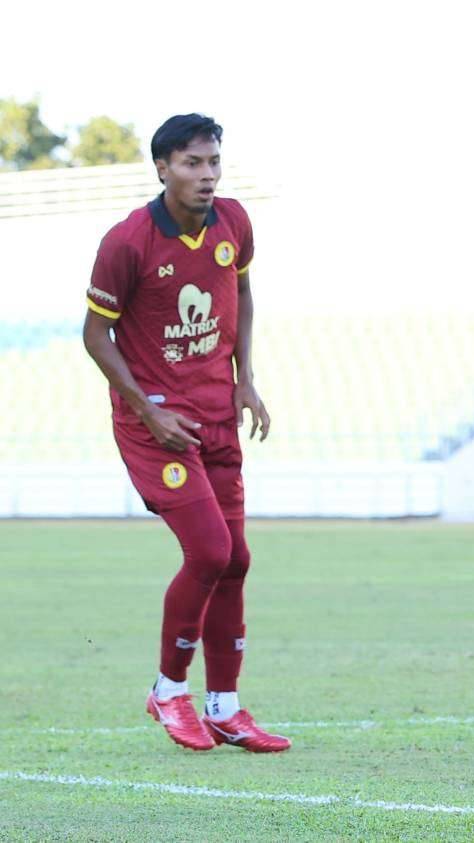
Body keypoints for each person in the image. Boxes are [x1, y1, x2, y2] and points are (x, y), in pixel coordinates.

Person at [82, 114, 288, 753]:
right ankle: (168, 691)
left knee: (236, 559)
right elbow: (95, 334)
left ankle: (224, 706)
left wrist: (245, 379)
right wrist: (148, 412)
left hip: (217, 412)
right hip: (157, 426)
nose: (207, 175)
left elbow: (242, 292)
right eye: (192, 163)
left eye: (213, 161)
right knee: (209, 552)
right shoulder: (128, 242)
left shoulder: (234, 223)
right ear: (163, 168)